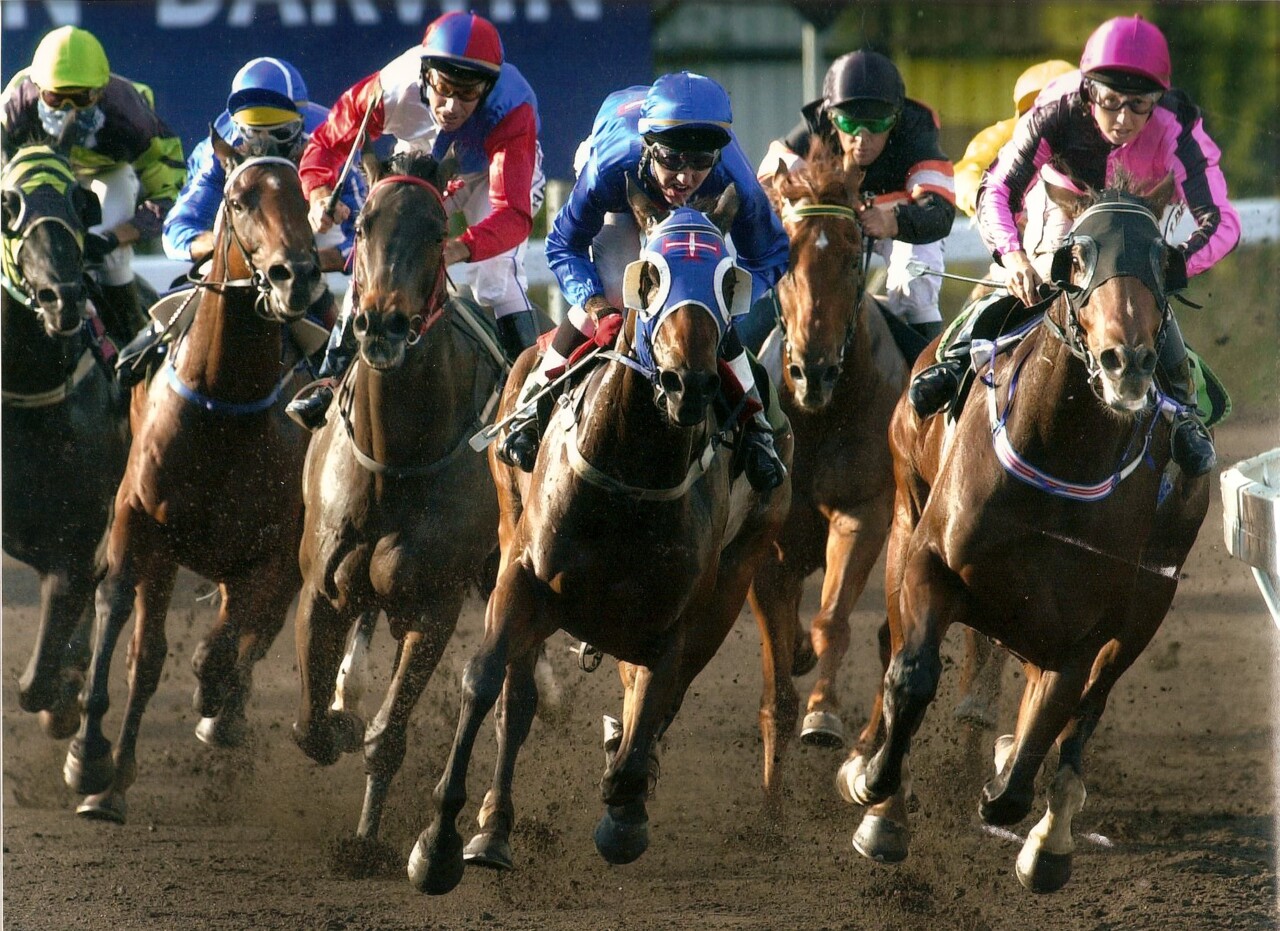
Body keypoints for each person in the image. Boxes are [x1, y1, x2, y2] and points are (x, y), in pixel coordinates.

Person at [908, 15, 1240, 478]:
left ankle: (1182, 411)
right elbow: (997, 191)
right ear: (1088, 92)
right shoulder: (1057, 111)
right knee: (1031, 278)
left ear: (1158, 101)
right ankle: (959, 360)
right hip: (1067, 203)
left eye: (1138, 105)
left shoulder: (1177, 125)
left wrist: (1172, 267)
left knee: (1141, 302)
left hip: (1139, 212)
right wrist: (1015, 257)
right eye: (1110, 102)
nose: (1124, 119)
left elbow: (1221, 220)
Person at [500, 71, 790, 493]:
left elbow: (771, 254)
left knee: (704, 301)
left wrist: (725, 302)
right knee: (623, 290)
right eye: (672, 159)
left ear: (716, 157)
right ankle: (531, 407)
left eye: (700, 162)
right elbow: (564, 245)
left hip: (695, 217)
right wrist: (595, 303)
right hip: (623, 195)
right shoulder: (611, 166)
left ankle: (758, 424)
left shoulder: (732, 177)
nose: (686, 177)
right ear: (651, 148)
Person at [287, 9, 545, 430]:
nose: (451, 106)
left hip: (488, 173)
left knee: (492, 276)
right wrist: (317, 195)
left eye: (468, 94)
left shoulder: (513, 109)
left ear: (489, 88)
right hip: (423, 161)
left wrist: (462, 247)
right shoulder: (389, 88)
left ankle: (530, 401)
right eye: (443, 89)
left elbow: (512, 214)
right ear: (426, 74)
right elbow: (325, 145)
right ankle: (328, 381)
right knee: (381, 255)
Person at [109, 58, 366, 387]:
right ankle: (147, 348)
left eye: (279, 134)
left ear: (301, 125)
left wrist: (298, 259)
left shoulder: (335, 145)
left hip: (307, 250)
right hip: (241, 250)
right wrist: (234, 250)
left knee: (354, 363)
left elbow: (362, 246)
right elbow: (176, 234)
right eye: (252, 132)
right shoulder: (219, 150)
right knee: (141, 355)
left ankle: (343, 368)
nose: (263, 145)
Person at [1, 25, 186, 346]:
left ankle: (135, 345)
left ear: (100, 92)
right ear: (36, 88)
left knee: (111, 260)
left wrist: (117, 238)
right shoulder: (14, 107)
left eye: (81, 98)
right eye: (55, 97)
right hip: (40, 178)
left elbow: (169, 193)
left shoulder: (130, 115)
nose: (68, 109)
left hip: (106, 174)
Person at [758, 49, 956, 341]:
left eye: (877, 125)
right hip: (834, 228)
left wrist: (893, 222)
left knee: (916, 282)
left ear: (897, 118)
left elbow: (940, 213)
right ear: (831, 117)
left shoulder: (918, 130)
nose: (862, 139)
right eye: (849, 125)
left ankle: (925, 371)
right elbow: (763, 191)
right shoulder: (815, 127)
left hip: (896, 229)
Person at [952, 59, 1075, 219]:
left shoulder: (1105, 133)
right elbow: (966, 172)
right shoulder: (1004, 134)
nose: (1046, 115)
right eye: (1037, 105)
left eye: (1057, 104)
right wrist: (991, 204)